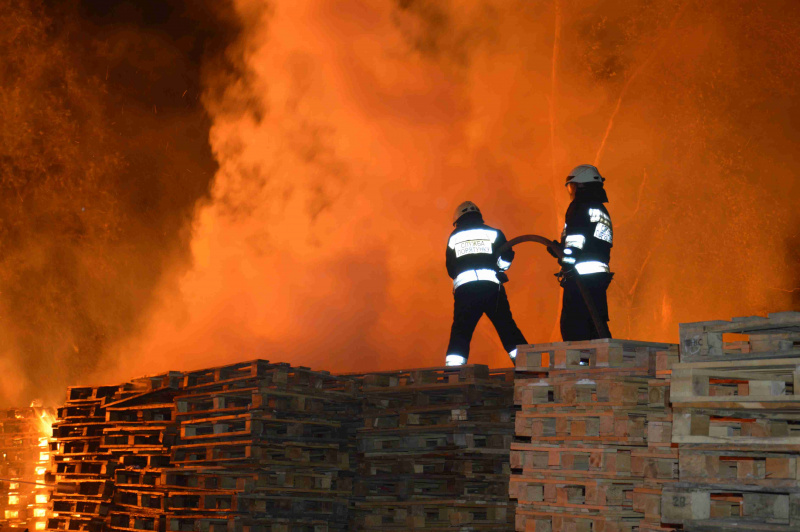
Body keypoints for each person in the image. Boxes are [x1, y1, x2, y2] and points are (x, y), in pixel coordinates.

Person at [444, 201, 527, 366]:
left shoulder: (454, 237)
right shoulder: (494, 233)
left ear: (458, 220)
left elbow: (451, 269)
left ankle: (453, 372)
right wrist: (499, 267)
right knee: (507, 327)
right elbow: (505, 259)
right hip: (492, 290)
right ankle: (529, 367)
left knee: (461, 332)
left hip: (466, 293)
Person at [557, 164, 614, 340]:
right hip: (599, 276)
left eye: (572, 187)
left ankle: (583, 359)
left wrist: (567, 262)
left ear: (581, 186)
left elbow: (577, 238)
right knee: (595, 324)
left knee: (572, 327)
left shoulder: (580, 205)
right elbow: (592, 241)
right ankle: (606, 355)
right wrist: (559, 250)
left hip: (580, 275)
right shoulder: (600, 209)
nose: (571, 191)